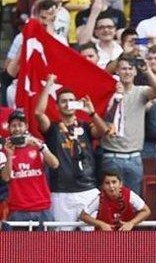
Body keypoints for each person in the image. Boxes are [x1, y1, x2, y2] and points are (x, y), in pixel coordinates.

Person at [35, 75, 108, 229]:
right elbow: (38, 114)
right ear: (57, 106)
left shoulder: (86, 126)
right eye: (63, 101)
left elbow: (103, 131)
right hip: (61, 193)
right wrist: (48, 84)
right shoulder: (52, 129)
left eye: (71, 100)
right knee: (62, 240)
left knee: (93, 238)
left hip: (88, 190)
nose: (68, 104)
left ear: (77, 104)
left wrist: (92, 113)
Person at [100, 56, 156, 195]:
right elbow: (107, 119)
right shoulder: (108, 92)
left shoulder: (141, 91)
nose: (127, 72)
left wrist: (147, 71)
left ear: (135, 72)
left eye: (130, 69)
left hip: (134, 157)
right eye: (123, 68)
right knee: (110, 201)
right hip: (112, 156)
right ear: (117, 71)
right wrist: (116, 98)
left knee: (133, 202)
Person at [1, 110, 59, 229]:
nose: (17, 129)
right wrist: (10, 155)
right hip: (18, 210)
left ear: (26, 126)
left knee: (46, 247)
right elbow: (6, 177)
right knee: (20, 247)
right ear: (9, 128)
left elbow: (55, 164)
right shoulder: (4, 151)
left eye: (20, 125)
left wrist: (40, 146)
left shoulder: (38, 144)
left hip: (43, 208)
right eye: (13, 125)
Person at [79, 170, 151, 231]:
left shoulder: (130, 195)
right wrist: (101, 224)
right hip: (104, 238)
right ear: (103, 186)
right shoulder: (99, 199)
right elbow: (83, 216)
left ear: (120, 184)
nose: (111, 186)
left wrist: (131, 223)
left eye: (114, 182)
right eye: (107, 183)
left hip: (127, 236)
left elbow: (146, 211)